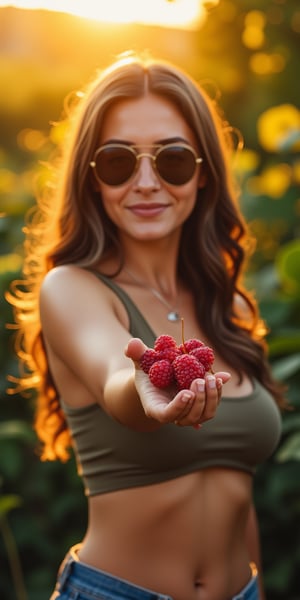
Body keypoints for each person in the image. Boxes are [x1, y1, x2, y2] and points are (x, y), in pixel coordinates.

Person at [8, 54, 286, 600]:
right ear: (91, 178)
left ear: (203, 172)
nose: (145, 182)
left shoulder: (231, 308)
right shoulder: (73, 289)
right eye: (117, 161)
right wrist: (146, 390)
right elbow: (118, 374)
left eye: (172, 159)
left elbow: (238, 497)